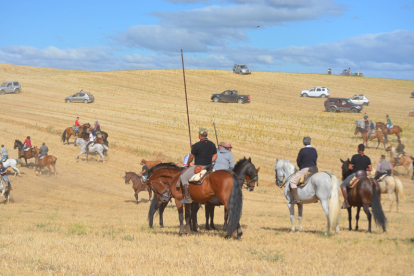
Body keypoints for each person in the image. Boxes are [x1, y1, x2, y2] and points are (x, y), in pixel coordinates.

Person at [179, 128, 217, 204]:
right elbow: (215, 156)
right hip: (209, 167)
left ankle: (187, 198)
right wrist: (210, 162)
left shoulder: (197, 145)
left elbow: (191, 157)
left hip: (198, 167)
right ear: (206, 135)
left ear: (199, 135)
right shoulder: (212, 144)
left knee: (183, 178)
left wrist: (188, 163)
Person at [340, 144, 372, 209]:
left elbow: (350, 167)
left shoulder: (354, 156)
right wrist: (365, 168)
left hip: (355, 175)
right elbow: (370, 169)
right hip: (364, 175)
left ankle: (346, 202)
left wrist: (354, 167)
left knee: (342, 185)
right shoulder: (367, 158)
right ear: (364, 150)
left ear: (358, 149)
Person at [289, 136, 318, 204]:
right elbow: (315, 159)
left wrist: (301, 168)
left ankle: (296, 198)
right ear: (310, 142)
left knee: (292, 182)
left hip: (305, 169)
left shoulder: (302, 150)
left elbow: (298, 161)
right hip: (314, 169)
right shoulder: (314, 150)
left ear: (303, 143)